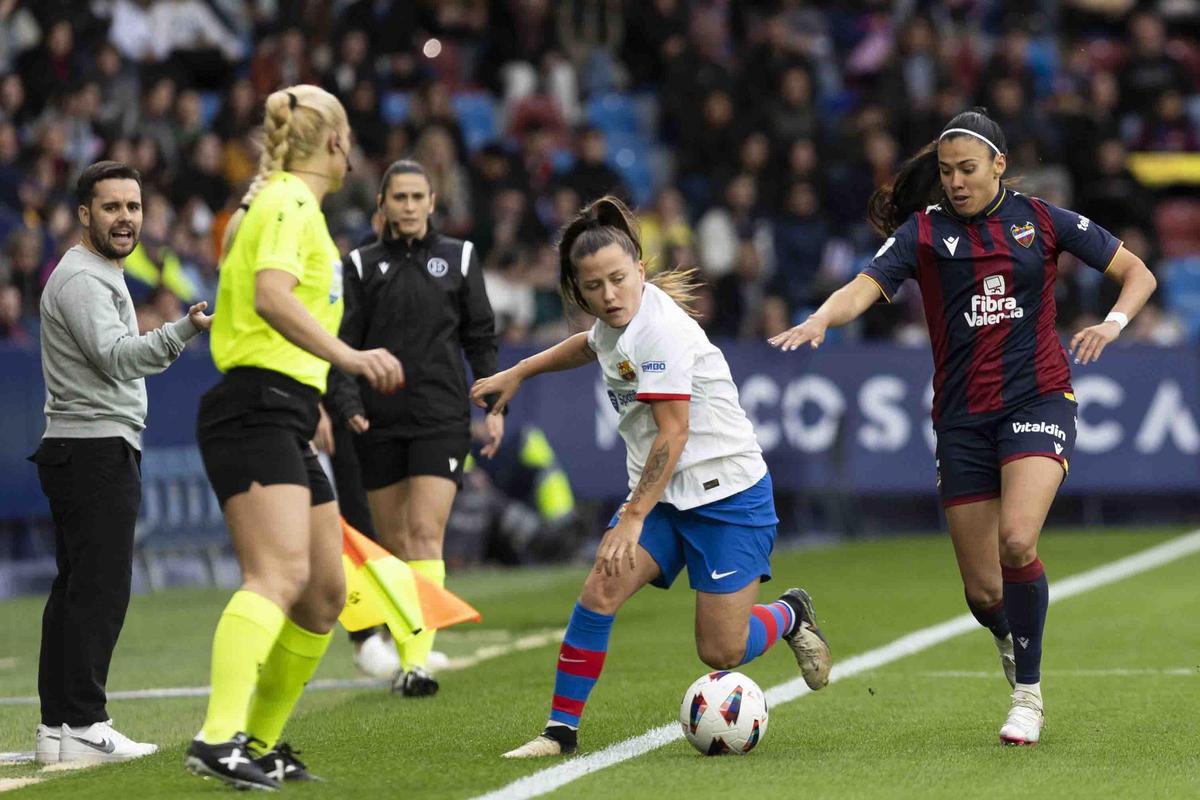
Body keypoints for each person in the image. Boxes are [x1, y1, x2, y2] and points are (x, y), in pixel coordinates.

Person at [769, 108, 1157, 746]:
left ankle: (1027, 696)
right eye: (946, 171)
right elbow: (864, 286)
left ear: (998, 166)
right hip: (961, 421)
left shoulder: (1041, 219)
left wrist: (1111, 324)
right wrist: (820, 319)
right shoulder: (922, 233)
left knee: (1017, 542)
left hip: (1038, 399)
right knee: (983, 594)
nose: (955, 181)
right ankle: (1010, 635)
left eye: (967, 169)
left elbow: (1136, 272)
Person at [470, 196, 833, 758]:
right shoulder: (614, 322)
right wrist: (520, 371)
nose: (609, 296)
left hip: (727, 495)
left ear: (640, 269)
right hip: (665, 496)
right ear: (577, 287)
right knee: (599, 590)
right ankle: (559, 731)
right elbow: (588, 345)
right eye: (593, 286)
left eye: (618, 279)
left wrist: (631, 518)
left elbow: (674, 434)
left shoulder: (658, 331)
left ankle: (789, 614)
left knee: (721, 653)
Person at [185, 84, 403, 790]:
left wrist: (314, 400)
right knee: (276, 577)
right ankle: (217, 740)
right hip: (253, 406)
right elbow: (269, 297)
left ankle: (261, 741)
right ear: (335, 142)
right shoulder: (286, 200)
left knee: (323, 595)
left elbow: (261, 305)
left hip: (284, 406)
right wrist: (351, 359)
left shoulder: (274, 201)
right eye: (350, 139)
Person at [31, 160, 211, 764]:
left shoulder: (95, 271)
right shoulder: (82, 277)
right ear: (85, 215)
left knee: (77, 589)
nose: (126, 218)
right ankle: (83, 723)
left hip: (84, 446)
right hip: (93, 447)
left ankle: (58, 728)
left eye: (133, 207)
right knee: (100, 590)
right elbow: (114, 358)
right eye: (112, 207)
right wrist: (181, 330)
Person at [326, 159, 502, 697]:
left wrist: (494, 408)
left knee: (425, 534)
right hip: (378, 419)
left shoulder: (461, 257)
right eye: (397, 197)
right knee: (393, 542)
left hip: (441, 417)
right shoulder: (358, 264)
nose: (407, 206)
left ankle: (416, 664)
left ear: (432, 202)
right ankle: (410, 651)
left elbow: (481, 339)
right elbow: (344, 341)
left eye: (416, 196)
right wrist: (349, 399)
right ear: (382, 205)